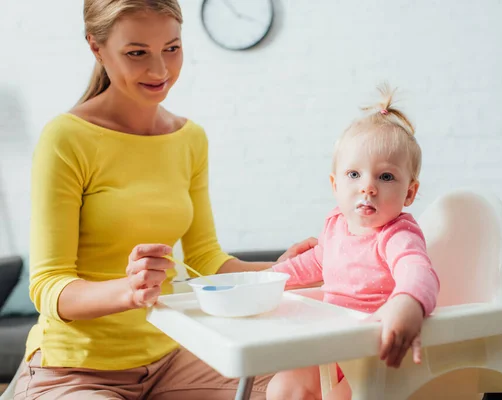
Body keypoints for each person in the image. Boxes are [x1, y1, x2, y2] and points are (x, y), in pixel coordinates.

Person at [13, 1, 315, 399]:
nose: (160, 71)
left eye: (171, 48)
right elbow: (49, 287)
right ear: (96, 47)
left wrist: (288, 270)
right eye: (137, 53)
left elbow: (207, 260)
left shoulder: (189, 139)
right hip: (77, 370)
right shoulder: (66, 138)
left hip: (173, 359)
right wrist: (129, 291)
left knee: (304, 386)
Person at [266, 84, 441, 400]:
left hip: (376, 350)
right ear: (335, 184)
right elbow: (317, 261)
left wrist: (408, 303)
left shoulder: (396, 235)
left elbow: (418, 271)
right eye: (354, 175)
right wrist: (269, 280)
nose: (368, 188)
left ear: (410, 193)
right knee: (282, 388)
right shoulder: (336, 225)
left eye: (385, 177)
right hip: (334, 342)